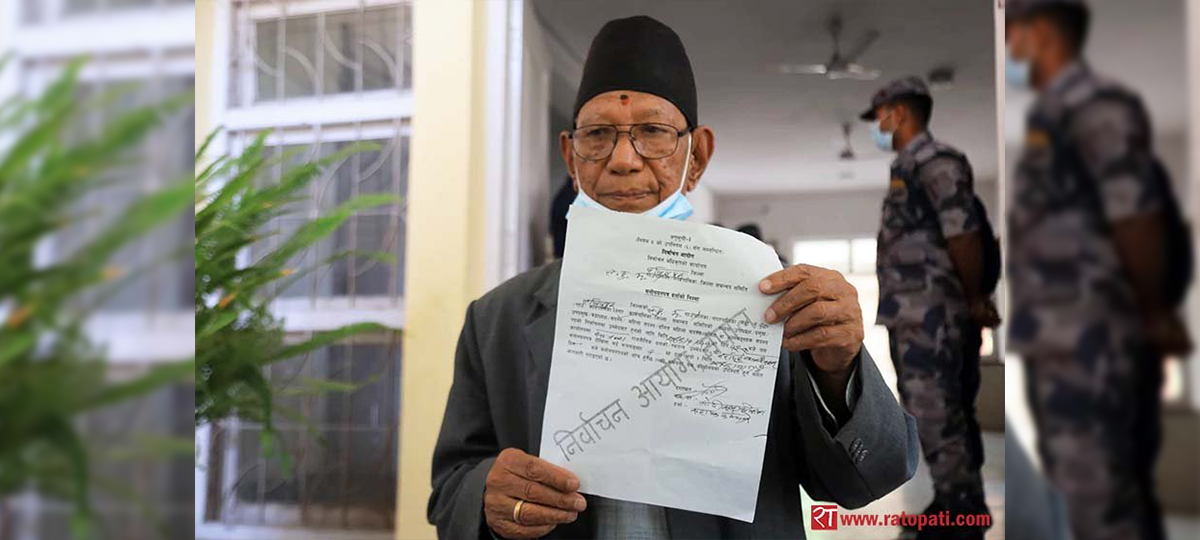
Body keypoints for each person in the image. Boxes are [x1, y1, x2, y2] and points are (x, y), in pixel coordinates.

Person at [428, 16, 918, 540]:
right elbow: (450, 490)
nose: (622, 161)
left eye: (654, 133)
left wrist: (838, 366)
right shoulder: (496, 319)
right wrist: (487, 495)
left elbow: (871, 476)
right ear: (571, 157)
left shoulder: (774, 299)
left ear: (696, 157)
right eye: (598, 136)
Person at [1006, 1, 1191, 538]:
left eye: (1013, 32)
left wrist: (1155, 313)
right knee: (1083, 494)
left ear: (1040, 32)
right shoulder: (1053, 115)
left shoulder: (1095, 107)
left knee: (1106, 502)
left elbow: (1135, 217)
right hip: (1065, 343)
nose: (1010, 47)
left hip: (1097, 346)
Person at [860, 76, 999, 539]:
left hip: (933, 317)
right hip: (916, 315)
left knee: (940, 414)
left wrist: (976, 299)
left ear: (898, 112)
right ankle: (952, 502)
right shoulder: (908, 166)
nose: (878, 125)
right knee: (934, 413)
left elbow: (963, 232)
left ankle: (963, 516)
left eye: (880, 115)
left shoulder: (935, 161)